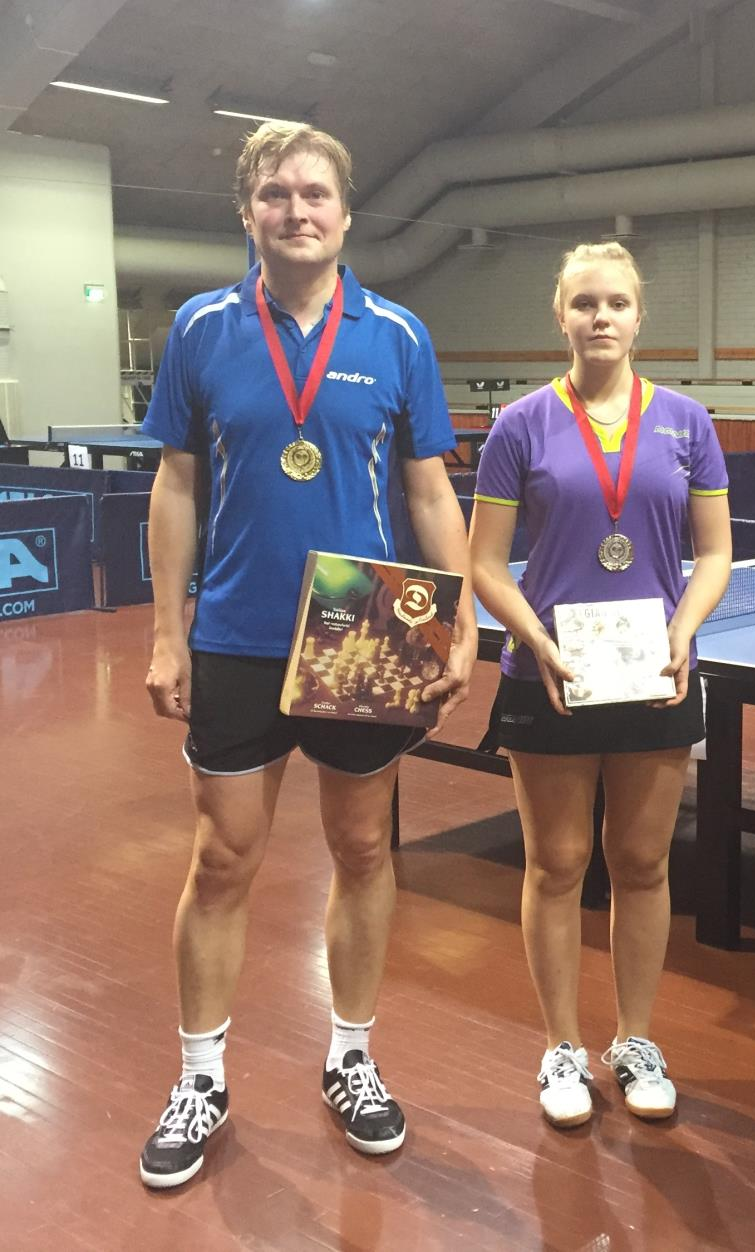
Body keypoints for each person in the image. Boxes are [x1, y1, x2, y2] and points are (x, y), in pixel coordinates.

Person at [138, 122, 476, 1188]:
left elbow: (429, 489)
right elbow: (177, 486)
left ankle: (353, 1057)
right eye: (277, 194)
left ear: (345, 210)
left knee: (365, 852)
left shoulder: (398, 335)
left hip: (365, 630)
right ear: (250, 212)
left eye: (316, 193)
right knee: (223, 859)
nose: (298, 210)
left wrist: (460, 618)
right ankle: (200, 1078)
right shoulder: (199, 328)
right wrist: (163, 630)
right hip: (236, 634)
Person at [470, 242, 731, 1127]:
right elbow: (484, 565)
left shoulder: (688, 422)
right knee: (557, 865)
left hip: (654, 674)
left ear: (639, 314)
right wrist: (534, 638)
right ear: (561, 314)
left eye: (617, 302)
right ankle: (561, 1051)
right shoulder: (520, 427)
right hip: (550, 674)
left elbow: (717, 551)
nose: (602, 318)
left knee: (643, 863)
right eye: (585, 303)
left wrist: (684, 631)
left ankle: (635, 1037)